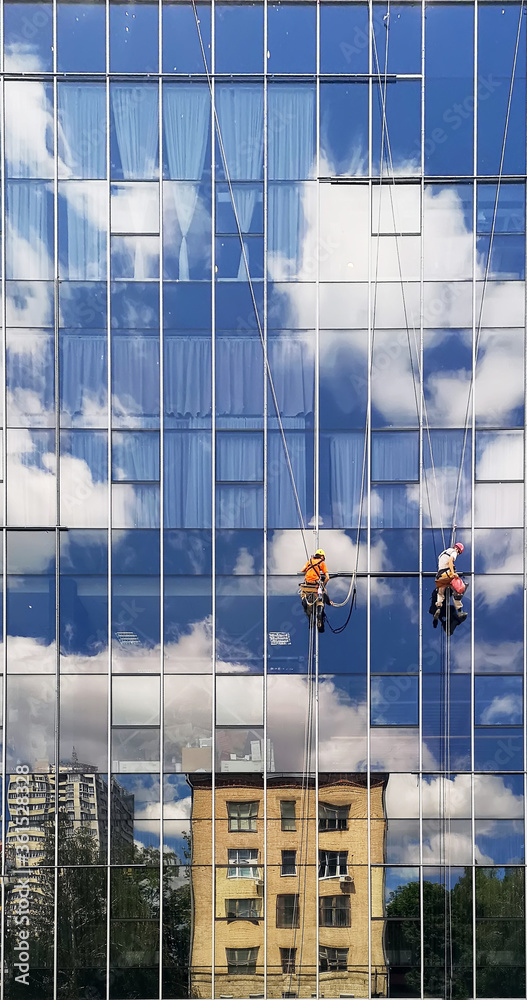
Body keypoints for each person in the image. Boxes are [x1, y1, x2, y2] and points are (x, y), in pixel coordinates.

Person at [433, 542, 467, 626]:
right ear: (457, 549)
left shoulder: (442, 554)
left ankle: (438, 607)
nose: (458, 554)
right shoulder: (454, 552)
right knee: (457, 591)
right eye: (459, 552)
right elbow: (451, 561)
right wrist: (453, 572)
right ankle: (460, 611)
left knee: (440, 593)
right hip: (447, 574)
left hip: (440, 576)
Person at [300, 549, 330, 631]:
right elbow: (327, 577)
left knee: (303, 595)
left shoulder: (309, 561)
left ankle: (305, 603)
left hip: (307, 585)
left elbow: (302, 570)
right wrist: (323, 585)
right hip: (315, 585)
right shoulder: (322, 563)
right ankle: (319, 614)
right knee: (320, 599)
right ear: (322, 557)